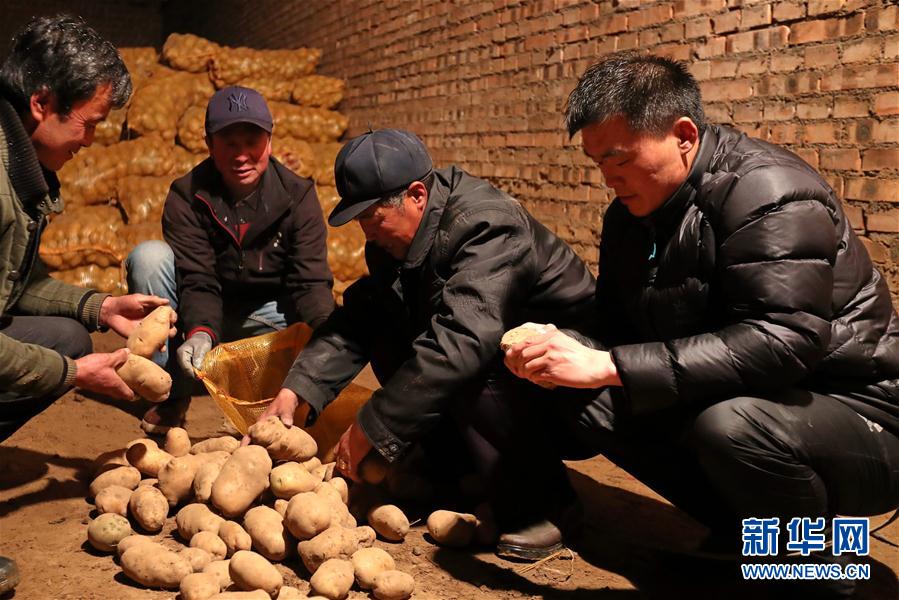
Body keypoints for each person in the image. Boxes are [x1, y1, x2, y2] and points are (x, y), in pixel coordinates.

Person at [503, 51, 899, 596]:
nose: (609, 178)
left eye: (620, 159)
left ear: (684, 135)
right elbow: (621, 329)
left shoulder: (767, 192)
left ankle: (818, 576)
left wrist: (611, 364)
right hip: (746, 398)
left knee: (731, 426)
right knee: (581, 385)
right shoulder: (631, 216)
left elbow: (787, 340)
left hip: (860, 415)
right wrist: (561, 348)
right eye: (598, 163)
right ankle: (746, 537)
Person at [249, 128, 596, 559]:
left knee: (470, 357)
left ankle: (547, 504)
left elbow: (464, 339)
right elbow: (360, 319)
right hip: (510, 383)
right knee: (390, 329)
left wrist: (372, 426)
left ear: (416, 195)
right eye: (360, 220)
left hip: (575, 393)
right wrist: (299, 388)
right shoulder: (395, 240)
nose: (366, 233)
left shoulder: (488, 226)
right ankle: (459, 468)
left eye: (372, 218)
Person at [0, 14, 176, 594]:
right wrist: (73, 375)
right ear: (41, 102)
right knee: (65, 358)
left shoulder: (18, 163)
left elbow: (13, 285)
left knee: (68, 337)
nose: (91, 142)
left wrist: (100, 308)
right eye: (90, 123)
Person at [126, 85, 335, 434]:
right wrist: (201, 332)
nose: (242, 155)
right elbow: (198, 279)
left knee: (316, 329)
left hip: (266, 315)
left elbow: (310, 281)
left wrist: (329, 335)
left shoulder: (297, 196)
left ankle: (272, 392)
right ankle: (171, 392)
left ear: (269, 142)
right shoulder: (187, 195)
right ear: (210, 145)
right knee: (148, 257)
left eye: (252, 142)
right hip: (206, 308)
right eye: (230, 144)